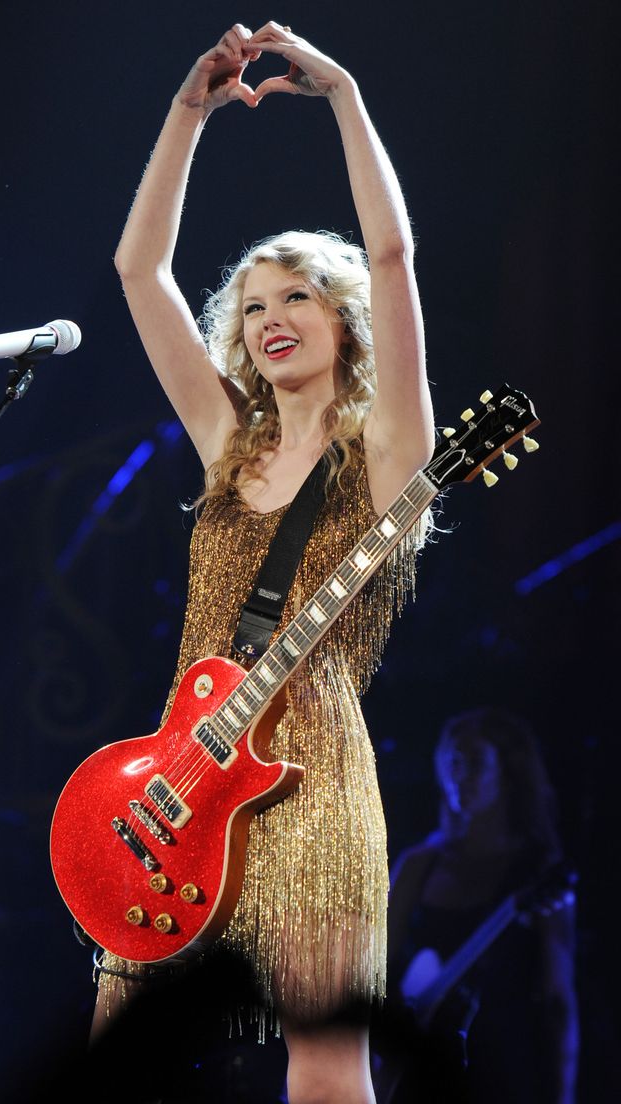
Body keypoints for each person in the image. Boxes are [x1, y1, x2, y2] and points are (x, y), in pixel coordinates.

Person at [96, 21, 434, 1104]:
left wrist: (342, 96)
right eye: (251, 307)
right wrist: (188, 111)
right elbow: (137, 270)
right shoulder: (224, 443)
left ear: (343, 319)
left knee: (328, 1070)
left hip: (311, 787)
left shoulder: (383, 452)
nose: (269, 319)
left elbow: (392, 257)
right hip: (177, 786)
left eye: (294, 296)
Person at [381, 707, 579, 1104]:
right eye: (452, 762)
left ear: (507, 772)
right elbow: (374, 969)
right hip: (419, 1071)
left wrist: (564, 1091)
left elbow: (558, 999)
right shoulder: (419, 864)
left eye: (474, 762)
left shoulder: (536, 872)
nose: (460, 776)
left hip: (502, 1070)